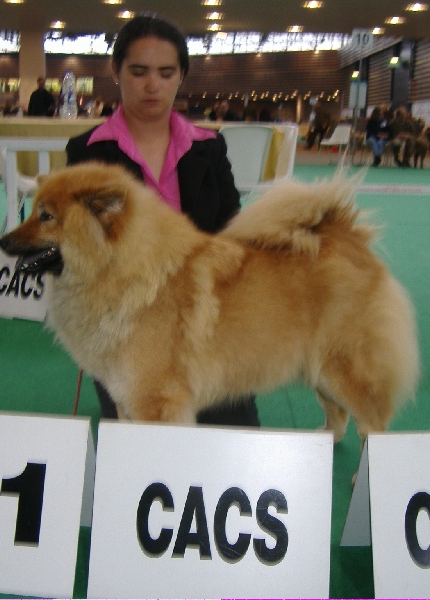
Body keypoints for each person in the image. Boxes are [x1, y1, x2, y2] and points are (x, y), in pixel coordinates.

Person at [66, 14, 260, 428]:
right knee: (143, 438)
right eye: (138, 72)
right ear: (115, 72)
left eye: (165, 73)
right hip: (126, 325)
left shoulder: (210, 147)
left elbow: (233, 233)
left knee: (234, 437)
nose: (152, 85)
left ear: (181, 76)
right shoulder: (86, 152)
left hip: (207, 323)